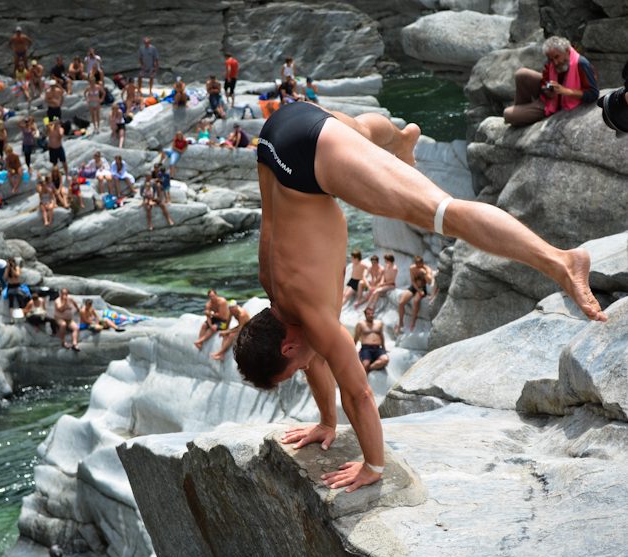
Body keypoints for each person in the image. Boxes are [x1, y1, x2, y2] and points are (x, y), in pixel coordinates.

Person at [233, 100, 605, 493]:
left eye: (292, 369)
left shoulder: (311, 317)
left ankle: (562, 261)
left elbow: (358, 393)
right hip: (279, 134)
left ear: (289, 345)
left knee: (444, 213)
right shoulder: (276, 295)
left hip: (310, 160)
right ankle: (402, 140)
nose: (304, 369)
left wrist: (373, 465)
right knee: (357, 132)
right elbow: (314, 365)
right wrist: (327, 423)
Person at [504, 36, 599, 127]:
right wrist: (546, 89)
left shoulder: (581, 64)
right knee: (521, 74)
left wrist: (565, 91)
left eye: (557, 57)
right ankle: (522, 111)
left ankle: (520, 115)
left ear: (567, 51)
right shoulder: (553, 63)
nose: (555, 63)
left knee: (508, 114)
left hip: (557, 104)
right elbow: (546, 79)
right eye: (551, 59)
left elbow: (593, 94)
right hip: (550, 97)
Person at [396, 256, 434, 334]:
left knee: (416, 301)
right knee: (401, 302)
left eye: (420, 264)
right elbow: (413, 280)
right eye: (417, 264)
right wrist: (418, 290)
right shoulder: (412, 268)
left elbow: (430, 282)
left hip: (423, 288)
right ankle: (401, 323)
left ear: (422, 263)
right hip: (414, 287)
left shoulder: (427, 269)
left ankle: (413, 323)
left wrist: (424, 274)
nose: (418, 266)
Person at [354, 307, 389, 374]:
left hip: (378, 348)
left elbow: (381, 336)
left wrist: (384, 348)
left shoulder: (379, 323)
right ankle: (366, 372)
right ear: (365, 315)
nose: (371, 315)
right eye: (368, 314)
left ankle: (370, 368)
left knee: (385, 359)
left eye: (372, 313)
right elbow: (356, 337)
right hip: (366, 348)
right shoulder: (361, 324)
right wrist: (352, 350)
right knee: (365, 365)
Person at [4, 257, 25, 323]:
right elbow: (5, 277)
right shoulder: (7, 269)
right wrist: (8, 268)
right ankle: (12, 318)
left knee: (20, 301)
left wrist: (12, 268)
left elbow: (17, 275)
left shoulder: (17, 268)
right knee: (11, 302)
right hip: (10, 287)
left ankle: (22, 316)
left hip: (17, 286)